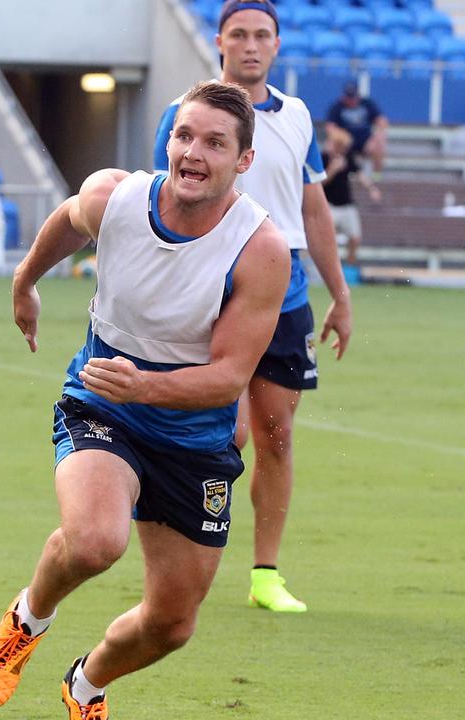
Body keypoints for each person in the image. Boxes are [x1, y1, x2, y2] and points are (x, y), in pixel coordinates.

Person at [0, 80, 290, 718]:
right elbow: (68, 220)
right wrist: (25, 279)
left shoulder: (261, 250)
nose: (193, 153)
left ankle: (85, 684)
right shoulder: (112, 197)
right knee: (94, 541)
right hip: (102, 403)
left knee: (173, 624)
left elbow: (229, 378)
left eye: (214, 142)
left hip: (193, 434)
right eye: (184, 135)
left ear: (244, 160)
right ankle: (27, 620)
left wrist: (148, 385)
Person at [152, 0, 352, 613]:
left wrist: (339, 294)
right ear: (219, 41)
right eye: (238, 34)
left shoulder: (295, 116)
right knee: (225, 429)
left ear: (277, 45)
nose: (250, 45)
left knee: (276, 434)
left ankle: (266, 573)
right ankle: (183, 557)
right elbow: (158, 198)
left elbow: (313, 209)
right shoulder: (184, 113)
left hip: (284, 290)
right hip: (209, 287)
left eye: (261, 35)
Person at [321, 126, 381, 269]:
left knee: (355, 237)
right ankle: (329, 267)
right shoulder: (323, 158)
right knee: (328, 239)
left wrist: (371, 189)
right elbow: (319, 183)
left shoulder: (348, 157)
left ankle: (349, 266)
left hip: (346, 204)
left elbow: (359, 174)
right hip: (329, 204)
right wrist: (333, 170)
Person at [326, 81, 388, 180]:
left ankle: (376, 175)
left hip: (365, 141)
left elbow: (381, 121)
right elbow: (330, 126)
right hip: (345, 143)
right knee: (330, 143)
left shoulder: (367, 103)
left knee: (380, 141)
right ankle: (334, 172)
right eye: (348, 97)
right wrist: (341, 136)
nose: (351, 101)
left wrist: (378, 134)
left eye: (352, 97)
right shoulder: (337, 106)